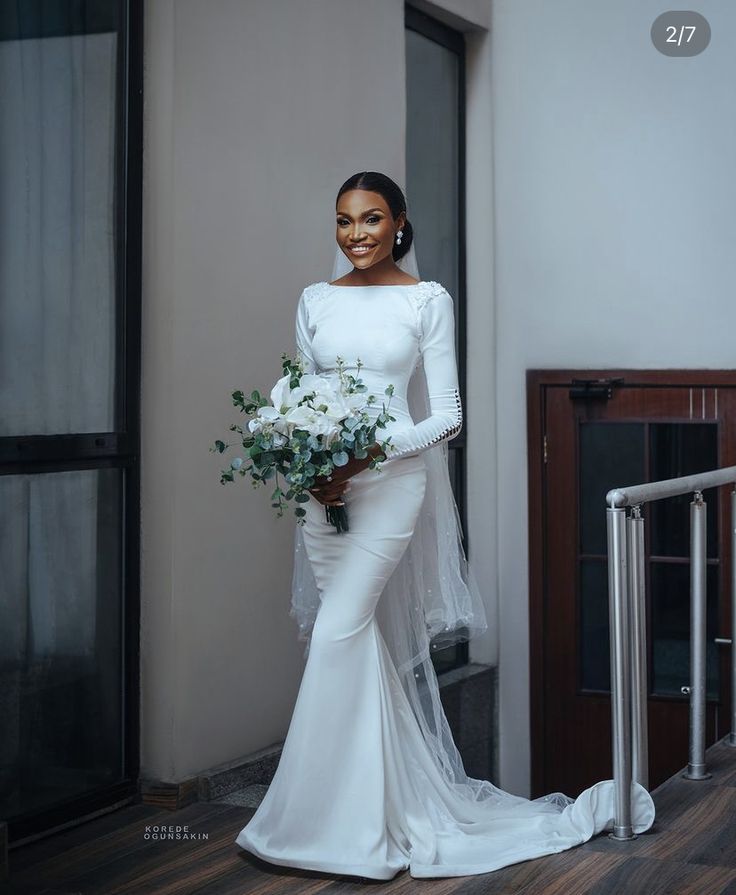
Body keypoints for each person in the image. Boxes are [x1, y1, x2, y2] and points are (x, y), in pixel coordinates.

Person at [235, 171, 655, 879]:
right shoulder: (314, 301)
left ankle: (310, 821)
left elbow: (447, 414)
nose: (356, 234)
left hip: (390, 486)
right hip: (322, 490)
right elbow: (299, 392)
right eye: (343, 221)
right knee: (351, 637)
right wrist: (310, 461)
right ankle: (364, 807)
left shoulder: (426, 300)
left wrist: (366, 452)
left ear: (400, 223)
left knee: (339, 631)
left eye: (371, 219)